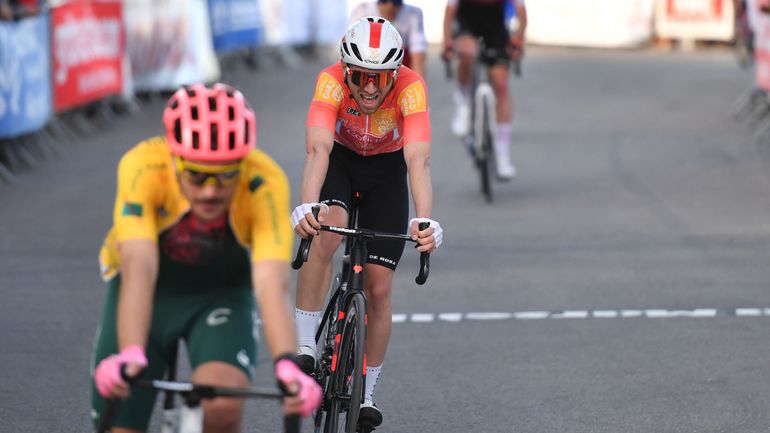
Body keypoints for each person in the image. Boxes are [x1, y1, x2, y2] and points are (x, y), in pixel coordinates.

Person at [90, 83, 321, 433]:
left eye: (226, 175)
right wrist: (132, 349)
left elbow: (271, 283)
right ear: (174, 159)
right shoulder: (142, 166)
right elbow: (139, 264)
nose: (210, 191)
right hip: (147, 292)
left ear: (242, 163)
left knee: (223, 406)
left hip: (219, 294)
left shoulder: (265, 180)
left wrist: (287, 362)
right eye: (196, 176)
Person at [291, 16, 443, 430]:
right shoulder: (329, 81)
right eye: (361, 76)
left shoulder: (411, 87)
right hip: (340, 162)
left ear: (395, 73)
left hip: (386, 172)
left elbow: (418, 159)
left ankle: (367, 394)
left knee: (378, 288)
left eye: (381, 78)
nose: (371, 88)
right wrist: (308, 208)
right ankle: (304, 342)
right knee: (325, 232)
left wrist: (425, 218)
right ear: (345, 70)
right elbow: (318, 150)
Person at [443, 0, 527, 180]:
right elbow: (450, 12)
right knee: (466, 55)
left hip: (495, 28)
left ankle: (502, 154)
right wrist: (447, 41)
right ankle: (464, 103)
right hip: (467, 23)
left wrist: (517, 39)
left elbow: (521, 12)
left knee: (501, 84)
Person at [349, 0, 429, 77]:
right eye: (384, 0)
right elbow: (349, 50)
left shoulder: (413, 14)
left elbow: (418, 56)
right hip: (366, 61)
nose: (390, 6)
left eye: (396, 1)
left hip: (399, 66)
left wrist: (418, 86)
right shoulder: (362, 10)